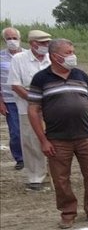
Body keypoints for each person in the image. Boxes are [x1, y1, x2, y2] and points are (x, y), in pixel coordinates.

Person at [26, 39, 88, 229]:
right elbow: (33, 111)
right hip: (57, 139)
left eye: (73, 51)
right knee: (61, 179)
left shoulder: (81, 76)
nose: (73, 55)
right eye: (69, 52)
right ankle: (68, 212)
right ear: (55, 56)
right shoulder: (41, 79)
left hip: (86, 136)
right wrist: (43, 140)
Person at [9, 29, 52, 191]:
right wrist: (34, 101)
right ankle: (35, 177)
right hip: (28, 108)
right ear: (33, 43)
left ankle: (53, 172)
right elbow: (15, 85)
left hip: (52, 106)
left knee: (54, 139)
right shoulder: (19, 59)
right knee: (32, 141)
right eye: (43, 43)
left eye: (48, 43)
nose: (46, 46)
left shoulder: (50, 58)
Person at [1, 27, 24, 170]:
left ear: (20, 39)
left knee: (32, 130)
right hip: (10, 101)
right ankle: (20, 158)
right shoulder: (0, 57)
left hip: (28, 99)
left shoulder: (27, 55)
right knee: (15, 131)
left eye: (14, 38)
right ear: (4, 40)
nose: (12, 41)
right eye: (8, 38)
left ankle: (33, 157)